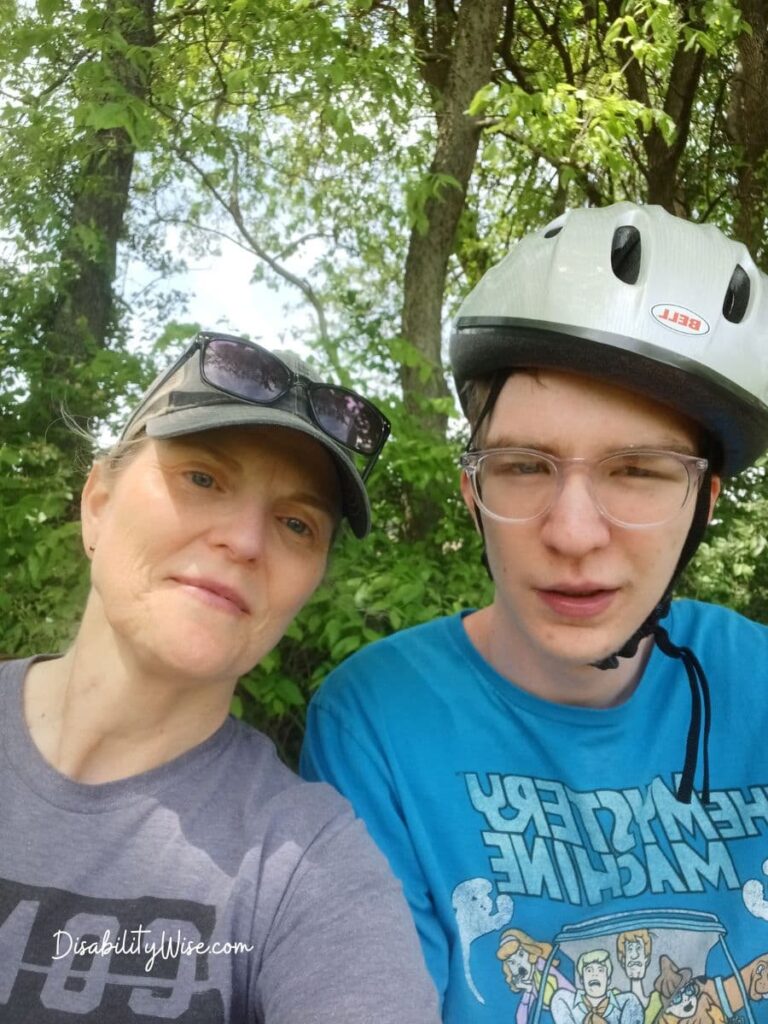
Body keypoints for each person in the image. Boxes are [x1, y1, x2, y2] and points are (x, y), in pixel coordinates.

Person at [300, 203, 768, 1021]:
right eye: (523, 466)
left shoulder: (758, 683)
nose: (573, 533)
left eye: (640, 471)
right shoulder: (376, 720)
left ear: (705, 503)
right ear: (473, 495)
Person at [0, 332, 441, 1022]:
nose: (245, 540)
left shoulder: (309, 868)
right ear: (97, 503)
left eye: (297, 524)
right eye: (203, 478)